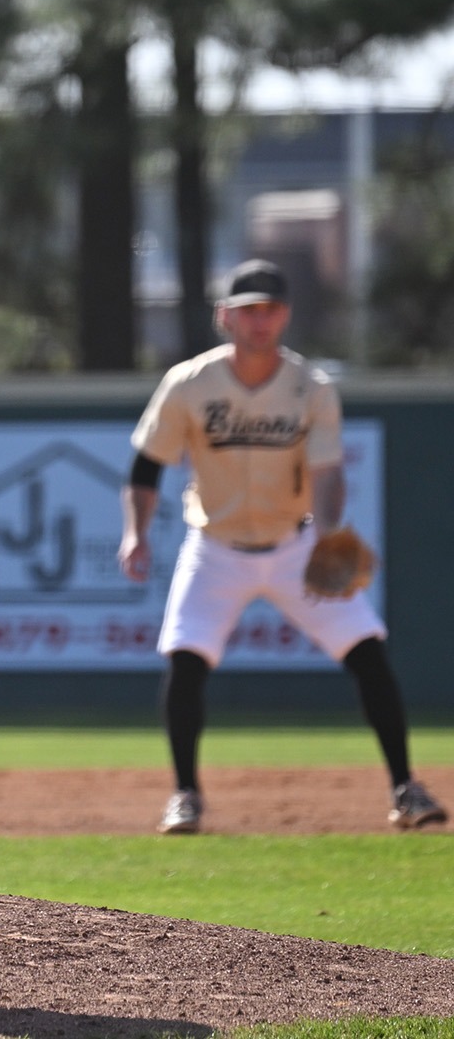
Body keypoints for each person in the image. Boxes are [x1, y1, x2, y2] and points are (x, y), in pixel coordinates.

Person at [118, 258, 445, 835]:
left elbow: (327, 473)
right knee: (187, 660)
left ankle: (406, 788)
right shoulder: (190, 383)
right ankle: (186, 795)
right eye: (248, 311)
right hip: (214, 545)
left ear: (285, 316)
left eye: (269, 310)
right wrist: (135, 533)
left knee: (366, 649)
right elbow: (147, 464)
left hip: (295, 545)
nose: (260, 321)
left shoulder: (310, 388)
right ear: (226, 318)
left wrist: (328, 534)